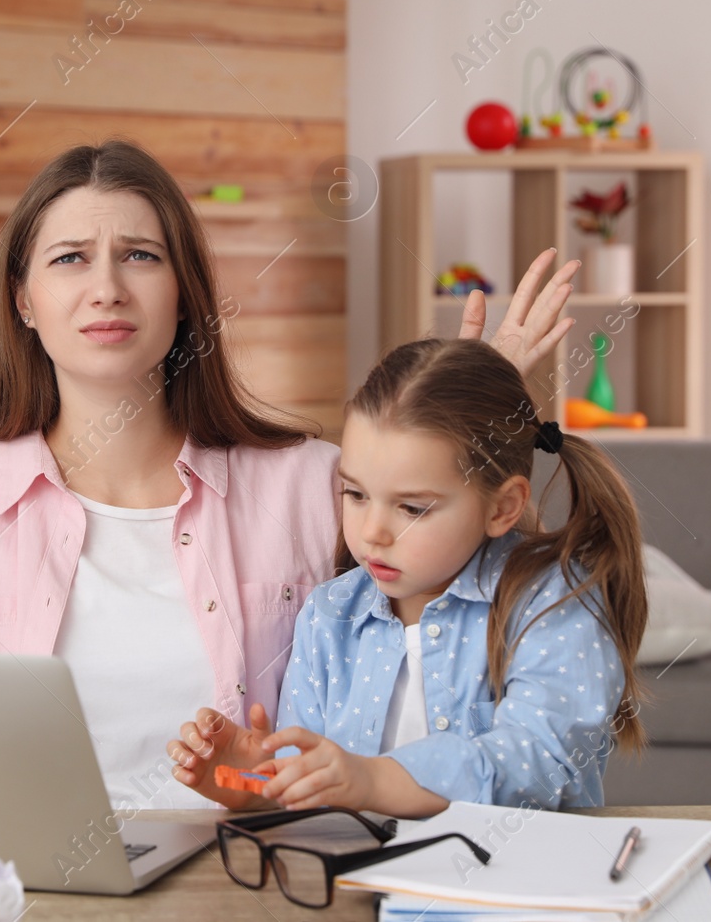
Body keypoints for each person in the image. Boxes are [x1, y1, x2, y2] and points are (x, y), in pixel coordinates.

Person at [0, 139, 580, 809]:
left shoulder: (310, 483)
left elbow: (476, 612)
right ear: (25, 298)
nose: (107, 286)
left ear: (183, 294)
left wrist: (474, 422)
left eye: (141, 255)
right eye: (69, 259)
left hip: (254, 882)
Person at [168, 338, 648, 816]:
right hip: (358, 883)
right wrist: (250, 786)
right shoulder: (329, 613)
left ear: (503, 507)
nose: (372, 533)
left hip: (514, 882)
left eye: (413, 508)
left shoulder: (551, 602)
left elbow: (538, 764)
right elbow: (312, 786)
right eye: (355, 494)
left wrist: (371, 778)